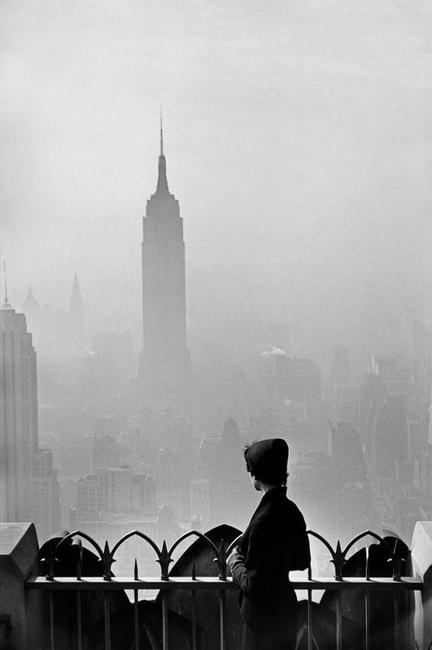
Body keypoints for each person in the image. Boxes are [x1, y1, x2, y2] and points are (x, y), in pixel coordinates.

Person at [227, 438, 310, 650]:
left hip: (262, 623)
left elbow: (255, 586)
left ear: (256, 474)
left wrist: (235, 563)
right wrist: (276, 564)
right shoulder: (291, 510)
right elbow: (302, 560)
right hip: (286, 614)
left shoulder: (264, 519)